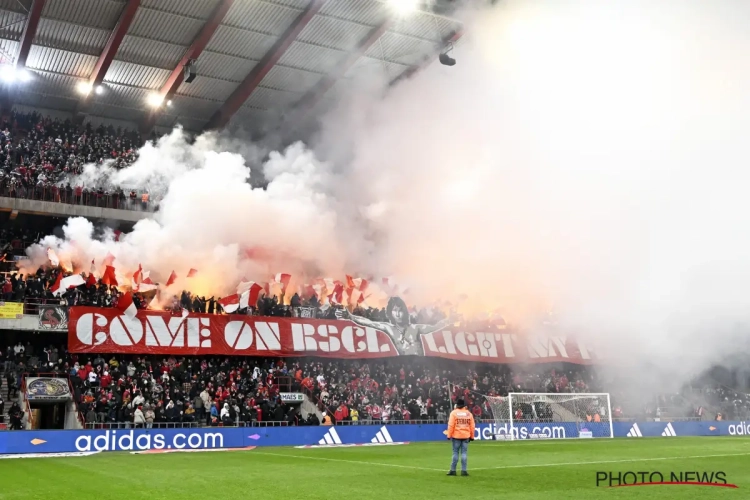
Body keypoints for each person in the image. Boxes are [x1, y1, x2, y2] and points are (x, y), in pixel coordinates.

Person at [341, 297, 453, 355]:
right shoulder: (389, 328)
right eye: (395, 310)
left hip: (421, 365)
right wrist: (351, 317)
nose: (398, 313)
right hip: (403, 366)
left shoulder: (415, 328)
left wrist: (448, 320)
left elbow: (434, 327)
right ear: (390, 312)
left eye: (401, 310)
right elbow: (369, 323)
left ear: (405, 311)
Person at [446, 398, 475, 476]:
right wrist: (472, 436)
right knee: (464, 453)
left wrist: (449, 435)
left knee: (455, 453)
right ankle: (464, 470)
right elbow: (472, 426)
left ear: (457, 405)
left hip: (456, 436)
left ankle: (453, 470)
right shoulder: (469, 414)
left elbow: (451, 425)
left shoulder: (454, 413)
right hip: (466, 436)